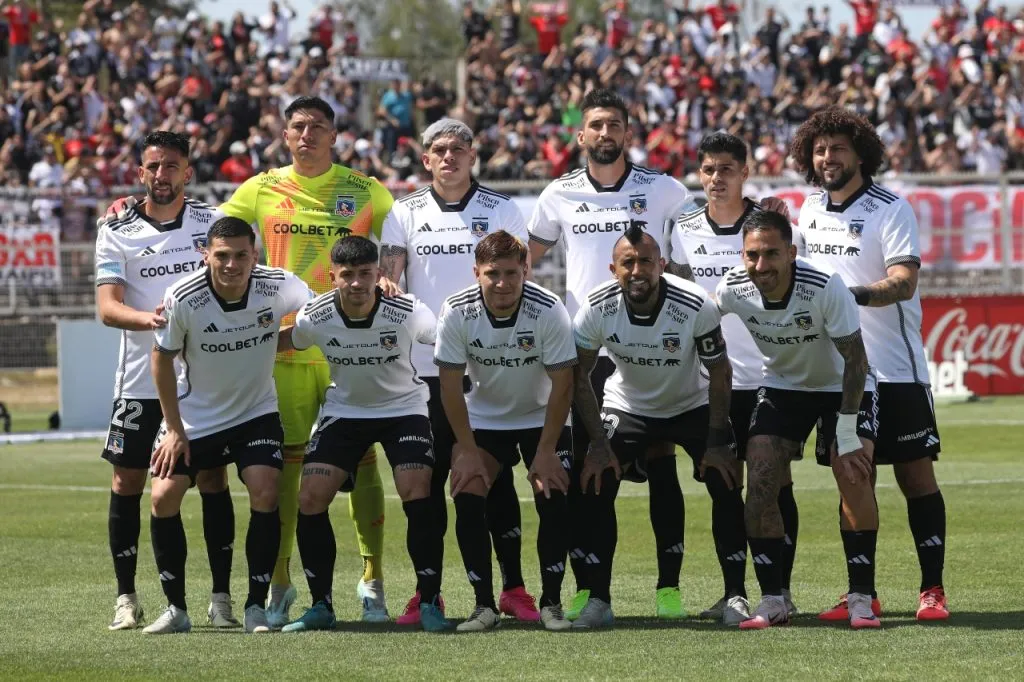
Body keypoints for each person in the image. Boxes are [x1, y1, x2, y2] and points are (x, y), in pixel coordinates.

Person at [219, 96, 398, 625]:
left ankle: (372, 582)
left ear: (335, 135)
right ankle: (281, 583)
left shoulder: (366, 190)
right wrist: (136, 206)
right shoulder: (261, 188)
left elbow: (406, 234)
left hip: (352, 347)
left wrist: (391, 277)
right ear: (284, 135)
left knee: (363, 464)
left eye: (318, 126)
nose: (307, 134)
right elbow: (211, 234)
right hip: (288, 348)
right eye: (298, 126)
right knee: (288, 472)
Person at [527, 87, 697, 620]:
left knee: (662, 465)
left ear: (628, 132)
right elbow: (525, 260)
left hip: (652, 342)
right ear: (581, 134)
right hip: (588, 347)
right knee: (592, 470)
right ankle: (589, 587)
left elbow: (696, 255)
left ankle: (668, 589)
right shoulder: (557, 194)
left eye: (614, 125)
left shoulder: (665, 190)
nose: (605, 133)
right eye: (596, 124)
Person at [790, 106, 949, 621]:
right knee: (851, 476)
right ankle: (862, 593)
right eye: (819, 149)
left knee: (915, 477)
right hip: (842, 374)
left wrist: (849, 296)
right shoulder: (807, 210)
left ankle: (932, 590)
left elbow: (903, 282)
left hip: (896, 368)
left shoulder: (890, 208)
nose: (827, 157)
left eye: (838, 148)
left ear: (861, 154)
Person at [379, 118, 537, 624]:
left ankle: (512, 589)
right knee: (426, 487)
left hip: (490, 369)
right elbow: (390, 281)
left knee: (493, 481)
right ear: (426, 158)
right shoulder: (403, 212)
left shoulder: (501, 209)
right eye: (440, 150)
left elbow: (519, 275)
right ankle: (427, 594)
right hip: (425, 372)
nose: (449, 157)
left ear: (473, 156)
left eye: (458, 149)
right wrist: (392, 291)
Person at [94, 131, 238, 631]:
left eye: (171, 165)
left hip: (201, 382)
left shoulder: (212, 222)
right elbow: (108, 308)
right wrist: (155, 321)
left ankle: (221, 599)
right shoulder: (116, 229)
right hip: (140, 381)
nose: (162, 175)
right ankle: (126, 597)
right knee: (127, 481)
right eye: (153, 166)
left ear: (187, 172)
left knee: (213, 479)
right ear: (140, 173)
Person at [144, 216, 314, 634]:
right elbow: (161, 360)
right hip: (196, 418)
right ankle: (176, 608)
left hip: (255, 413)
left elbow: (319, 313)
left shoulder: (278, 285)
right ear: (206, 255)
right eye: (222, 255)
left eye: (241, 255)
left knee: (266, 490)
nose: (232, 264)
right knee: (163, 497)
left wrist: (285, 338)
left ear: (255, 255)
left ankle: (255, 607)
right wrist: (174, 429)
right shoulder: (184, 296)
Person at [715, 210, 880, 630]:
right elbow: (699, 322)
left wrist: (846, 430)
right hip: (784, 385)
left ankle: (861, 597)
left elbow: (856, 360)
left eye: (772, 254)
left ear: (791, 253)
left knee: (853, 471)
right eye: (752, 255)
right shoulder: (731, 288)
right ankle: (774, 599)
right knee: (760, 472)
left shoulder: (825, 286)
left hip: (843, 385)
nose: (761, 265)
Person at [276, 236, 450, 633]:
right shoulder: (316, 314)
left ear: (379, 274)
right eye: (348, 275)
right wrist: (235, 342)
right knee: (310, 496)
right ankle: (321, 606)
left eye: (365, 274)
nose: (357, 283)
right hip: (346, 411)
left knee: (415, 488)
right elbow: (290, 340)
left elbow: (445, 335)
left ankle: (428, 601)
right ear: (332, 277)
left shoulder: (406, 309)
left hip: (403, 409)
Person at [569, 226, 736, 629]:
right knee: (596, 480)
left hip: (690, 404)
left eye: (646, 261)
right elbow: (579, 376)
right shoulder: (595, 306)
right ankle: (599, 599)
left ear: (661, 265)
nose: (637, 270)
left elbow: (719, 371)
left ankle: (735, 595)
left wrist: (717, 441)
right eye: (628, 262)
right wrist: (598, 444)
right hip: (629, 405)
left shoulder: (695, 303)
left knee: (726, 478)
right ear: (613, 269)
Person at [666, 131, 799, 623]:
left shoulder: (771, 226)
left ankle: (780, 591)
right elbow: (680, 299)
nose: (716, 178)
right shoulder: (682, 230)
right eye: (708, 170)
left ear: (745, 172)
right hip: (712, 382)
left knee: (774, 483)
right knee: (724, 486)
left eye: (727, 169)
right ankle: (734, 593)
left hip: (770, 376)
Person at [434, 231, 576, 632]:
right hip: (485, 419)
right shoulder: (456, 310)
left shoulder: (548, 309)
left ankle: (551, 602)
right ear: (476, 272)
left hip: (540, 417)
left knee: (553, 490)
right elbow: (449, 386)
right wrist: (466, 450)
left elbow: (563, 384)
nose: (502, 283)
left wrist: (546, 451)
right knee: (466, 489)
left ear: (525, 271)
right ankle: (484, 605)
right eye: (492, 273)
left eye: (512, 273)